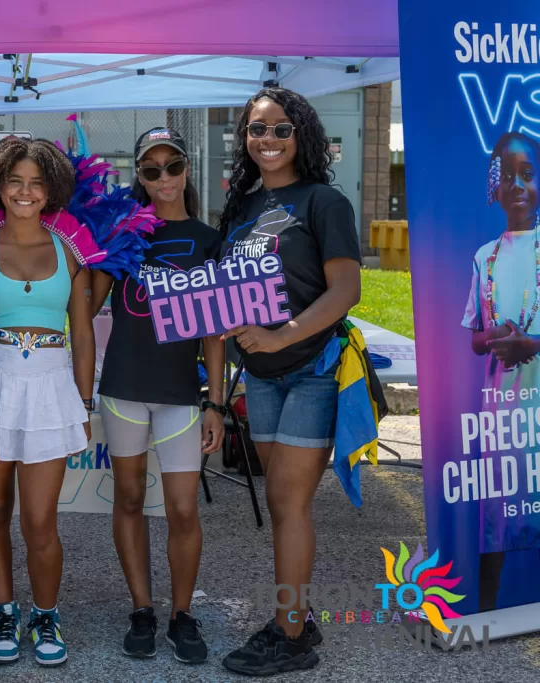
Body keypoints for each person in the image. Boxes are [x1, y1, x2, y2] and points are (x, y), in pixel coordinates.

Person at [0, 128, 156, 667]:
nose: (25, 192)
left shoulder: (72, 247)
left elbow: (85, 332)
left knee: (40, 521)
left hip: (51, 383)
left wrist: (82, 405)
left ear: (52, 190)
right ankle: (3, 610)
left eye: (37, 183)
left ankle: (46, 614)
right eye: (15, 181)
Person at [215, 87, 362, 676]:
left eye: (280, 129)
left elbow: (347, 290)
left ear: (302, 134)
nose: (267, 139)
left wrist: (282, 335)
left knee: (287, 500)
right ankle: (296, 613)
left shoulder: (324, 201)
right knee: (282, 506)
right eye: (256, 130)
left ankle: (290, 632)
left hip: (312, 371)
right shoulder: (242, 206)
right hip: (262, 377)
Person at [90, 127, 225, 664]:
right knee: (127, 500)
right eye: (151, 169)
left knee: (183, 509)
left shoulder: (210, 239)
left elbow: (215, 330)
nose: (164, 177)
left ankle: (182, 614)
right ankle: (142, 609)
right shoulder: (124, 234)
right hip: (122, 387)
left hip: (178, 393)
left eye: (173, 166)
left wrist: (215, 401)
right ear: (139, 177)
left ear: (187, 170)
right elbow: (88, 300)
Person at [463, 131, 540, 611]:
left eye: (528, 175)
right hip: (502, 410)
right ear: (494, 186)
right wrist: (497, 338)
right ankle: (488, 610)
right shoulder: (485, 257)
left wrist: (530, 343)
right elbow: (474, 338)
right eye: (507, 176)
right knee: (497, 510)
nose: (517, 185)